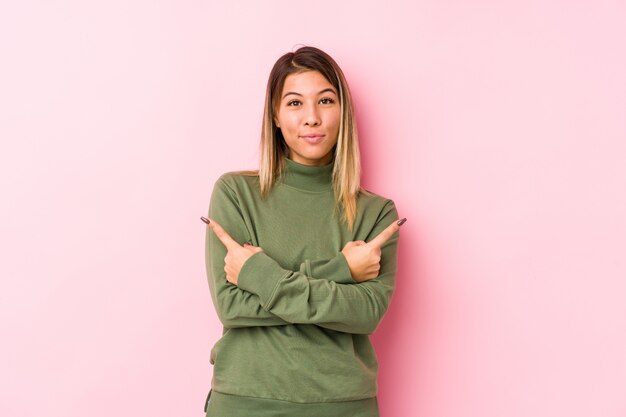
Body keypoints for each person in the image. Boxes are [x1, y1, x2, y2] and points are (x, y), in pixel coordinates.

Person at [201, 45, 405, 417]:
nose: (311, 118)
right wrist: (342, 271)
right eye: (295, 103)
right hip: (245, 402)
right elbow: (231, 306)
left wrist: (258, 275)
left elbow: (366, 313)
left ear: (343, 112)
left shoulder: (377, 213)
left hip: (342, 406)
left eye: (325, 101)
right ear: (275, 116)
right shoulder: (235, 193)